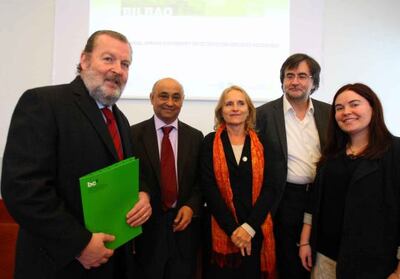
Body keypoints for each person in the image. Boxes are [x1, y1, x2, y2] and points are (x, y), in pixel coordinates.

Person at [1, 30, 152, 279]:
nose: (118, 70)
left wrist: (143, 194)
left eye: (125, 64)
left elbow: (128, 173)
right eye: (108, 59)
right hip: (60, 265)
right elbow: (23, 190)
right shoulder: (43, 102)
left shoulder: (120, 119)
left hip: (111, 262)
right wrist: (79, 244)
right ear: (84, 60)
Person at [298, 83, 400, 278]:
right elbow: (315, 201)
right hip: (325, 259)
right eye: (339, 108)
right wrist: (305, 242)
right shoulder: (332, 156)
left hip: (374, 264)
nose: (346, 112)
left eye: (354, 104)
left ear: (373, 107)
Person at [256, 53, 331, 278]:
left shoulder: (329, 112)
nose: (295, 81)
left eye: (302, 76)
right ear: (282, 81)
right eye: (289, 76)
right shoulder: (263, 115)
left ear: (314, 82)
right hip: (285, 199)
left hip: (322, 198)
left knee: (320, 259)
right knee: (289, 262)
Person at [130, 77, 203, 279]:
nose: (170, 103)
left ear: (182, 101)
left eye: (176, 97)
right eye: (163, 96)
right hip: (147, 230)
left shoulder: (196, 137)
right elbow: (130, 177)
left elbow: (201, 182)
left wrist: (191, 206)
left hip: (184, 229)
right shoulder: (133, 135)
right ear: (152, 98)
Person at [201, 85, 276, 279]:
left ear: (249, 110)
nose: (235, 108)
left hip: (255, 229)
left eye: (240, 103)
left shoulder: (264, 143)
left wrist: (248, 228)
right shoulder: (209, 142)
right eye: (229, 104)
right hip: (221, 231)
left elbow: (270, 188)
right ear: (221, 111)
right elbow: (209, 189)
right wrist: (234, 231)